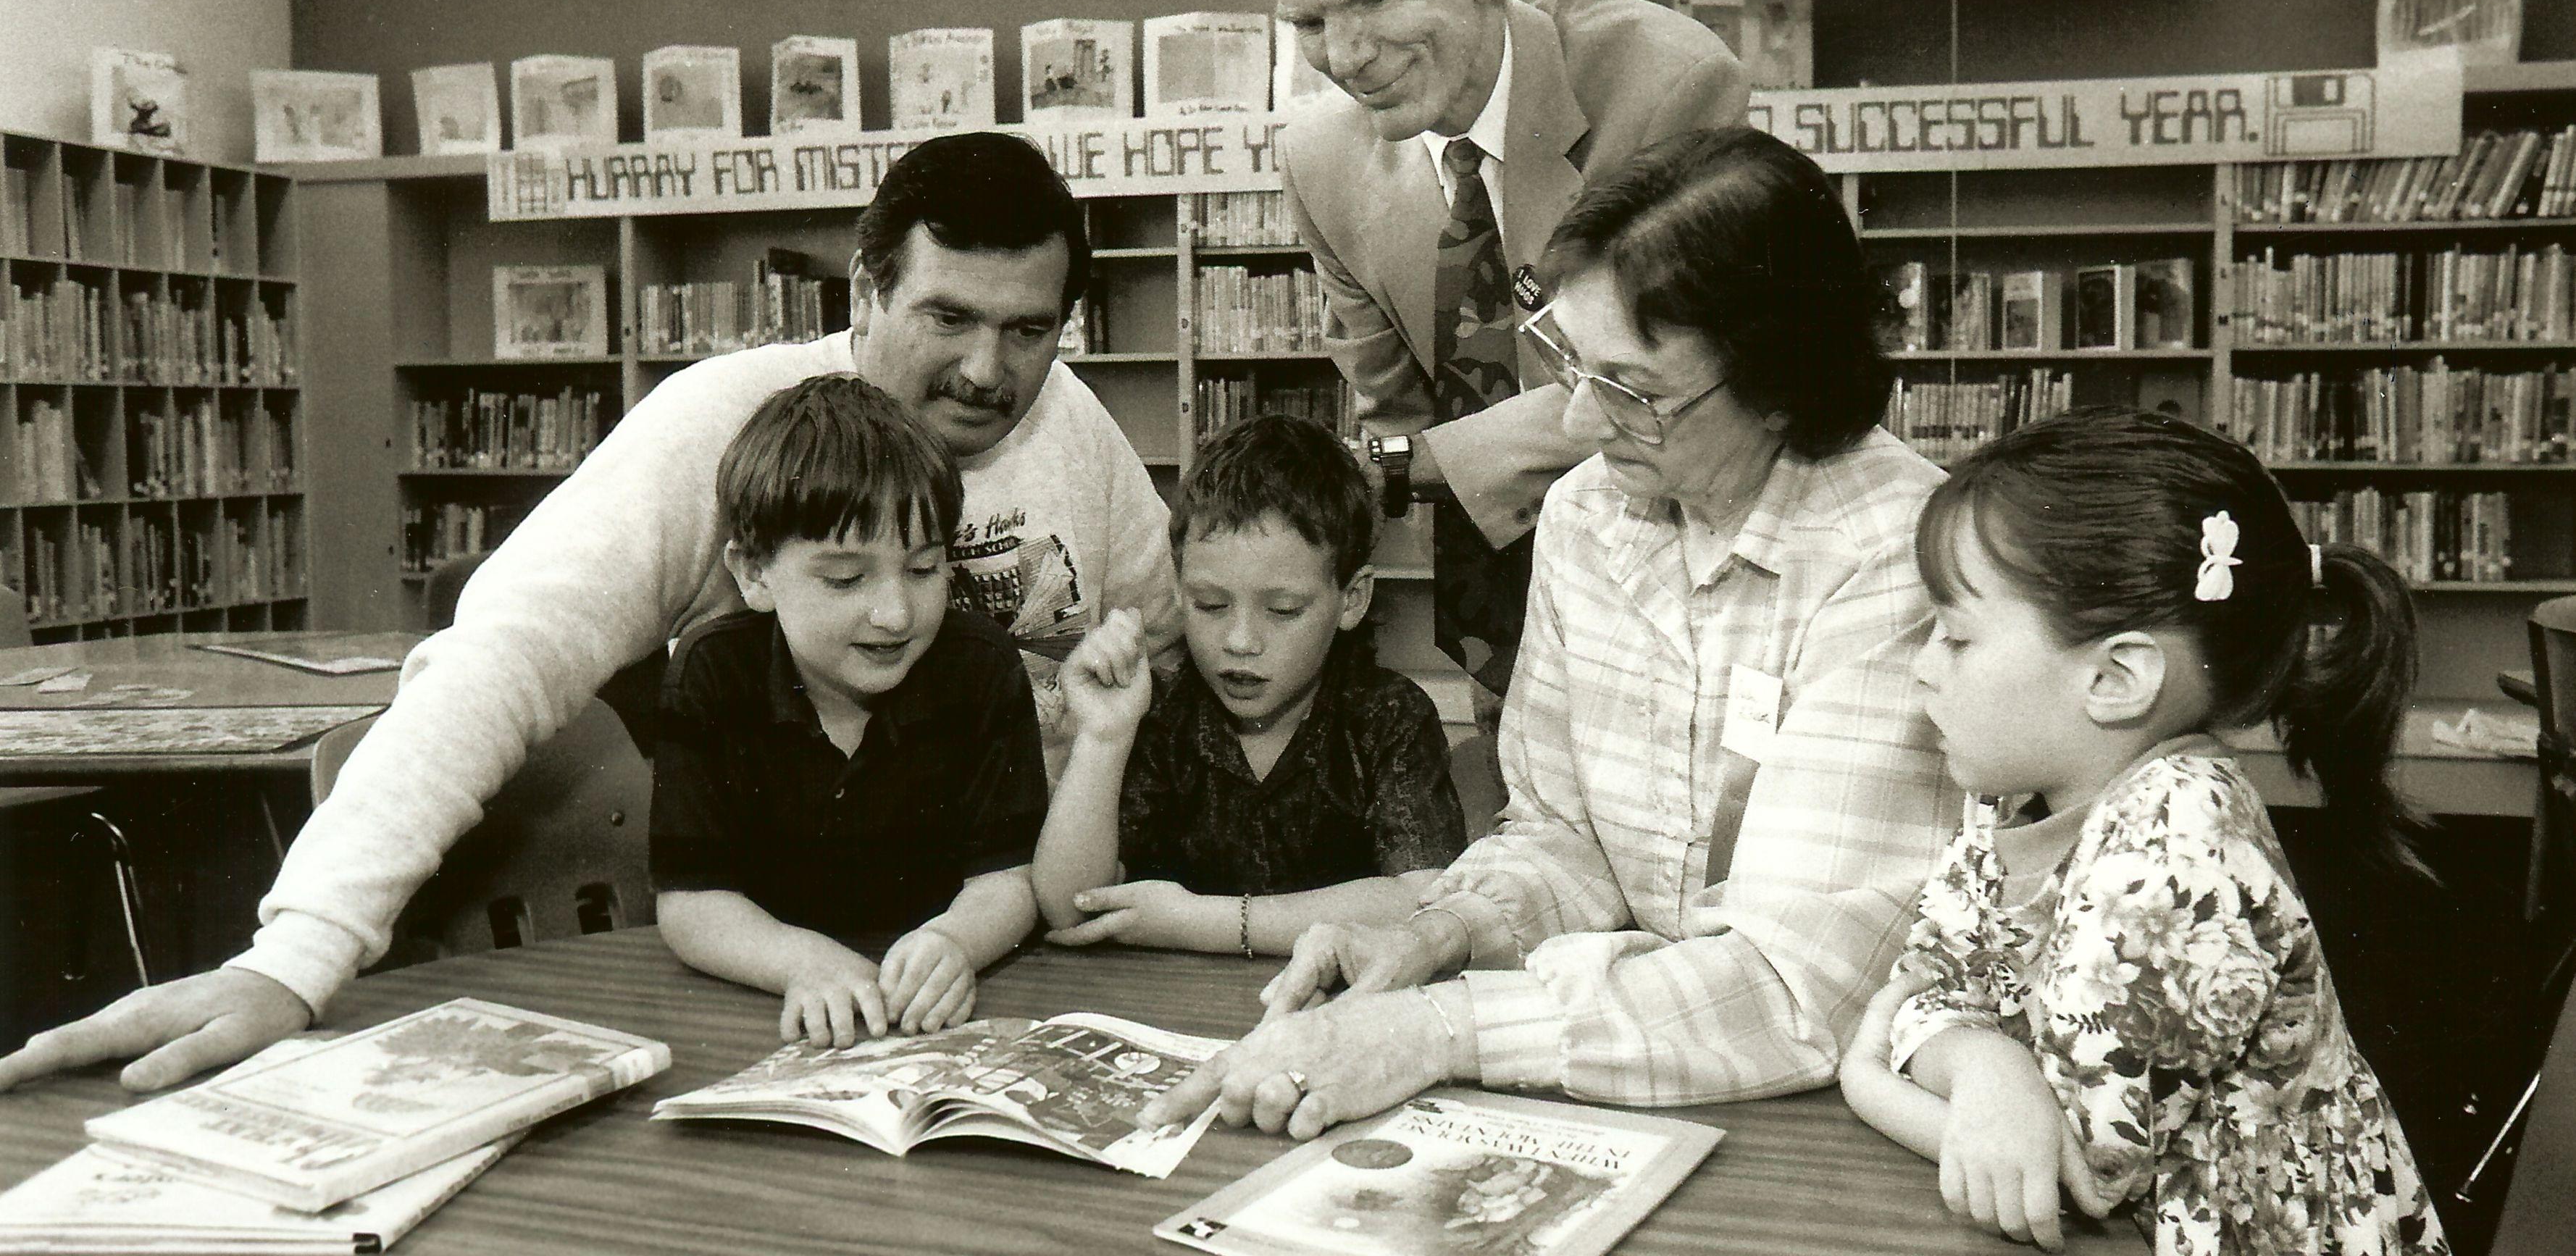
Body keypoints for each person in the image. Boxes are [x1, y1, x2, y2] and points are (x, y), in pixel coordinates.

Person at [0, 133, 1180, 1095]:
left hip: (1008, 961)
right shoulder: (721, 425)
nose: (991, 371)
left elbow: (1161, 642)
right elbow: (498, 663)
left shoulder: (1067, 418)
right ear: (865, 292)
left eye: (1030, 329)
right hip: (778, 989)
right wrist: (294, 962)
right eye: (948, 319)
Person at [1145, 127, 1955, 1140]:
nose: (1576, 426)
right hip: (1637, 1068)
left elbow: (1798, 991)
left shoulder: (1901, 559)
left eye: (1634, 392)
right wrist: (1443, 932)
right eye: (1572, 362)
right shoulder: (1588, 514)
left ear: (1782, 385)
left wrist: (1437, 1028)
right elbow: (1567, 839)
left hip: (1835, 1118)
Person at [1837, 407, 2448, 1255]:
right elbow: (1932, 974)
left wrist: (1867, 1077)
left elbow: (2063, 1174)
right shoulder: (2019, 795)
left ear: (2116, 677)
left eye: (1956, 635)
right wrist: (1983, 1062)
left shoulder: (2186, 843)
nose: (1922, 664)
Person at [1250, 0, 1747, 692]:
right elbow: (1392, 405)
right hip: (1499, 609)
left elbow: (1658, 386)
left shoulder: (1666, 84)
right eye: (1309, 20)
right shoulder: (1317, 156)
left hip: (1689, 582)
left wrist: (1403, 468)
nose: (1348, 56)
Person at [657, 375, 1076, 1047]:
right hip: (770, 1004)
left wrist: (954, 943)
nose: (896, 614)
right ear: (754, 575)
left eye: (923, 569)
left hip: (934, 1012)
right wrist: (804, 961)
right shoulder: (711, 674)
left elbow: (1007, 879)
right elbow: (690, 902)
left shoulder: (981, 666)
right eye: (846, 579)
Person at [1037, 414, 1464, 955]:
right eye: (1210, 604)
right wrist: (1103, 739)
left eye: (1283, 611)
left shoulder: (1389, 718)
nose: (1240, 640)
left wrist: (1203, 922)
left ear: (1352, 600)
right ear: (1178, 587)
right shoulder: (1158, 715)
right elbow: (1071, 906)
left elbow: (1427, 897)